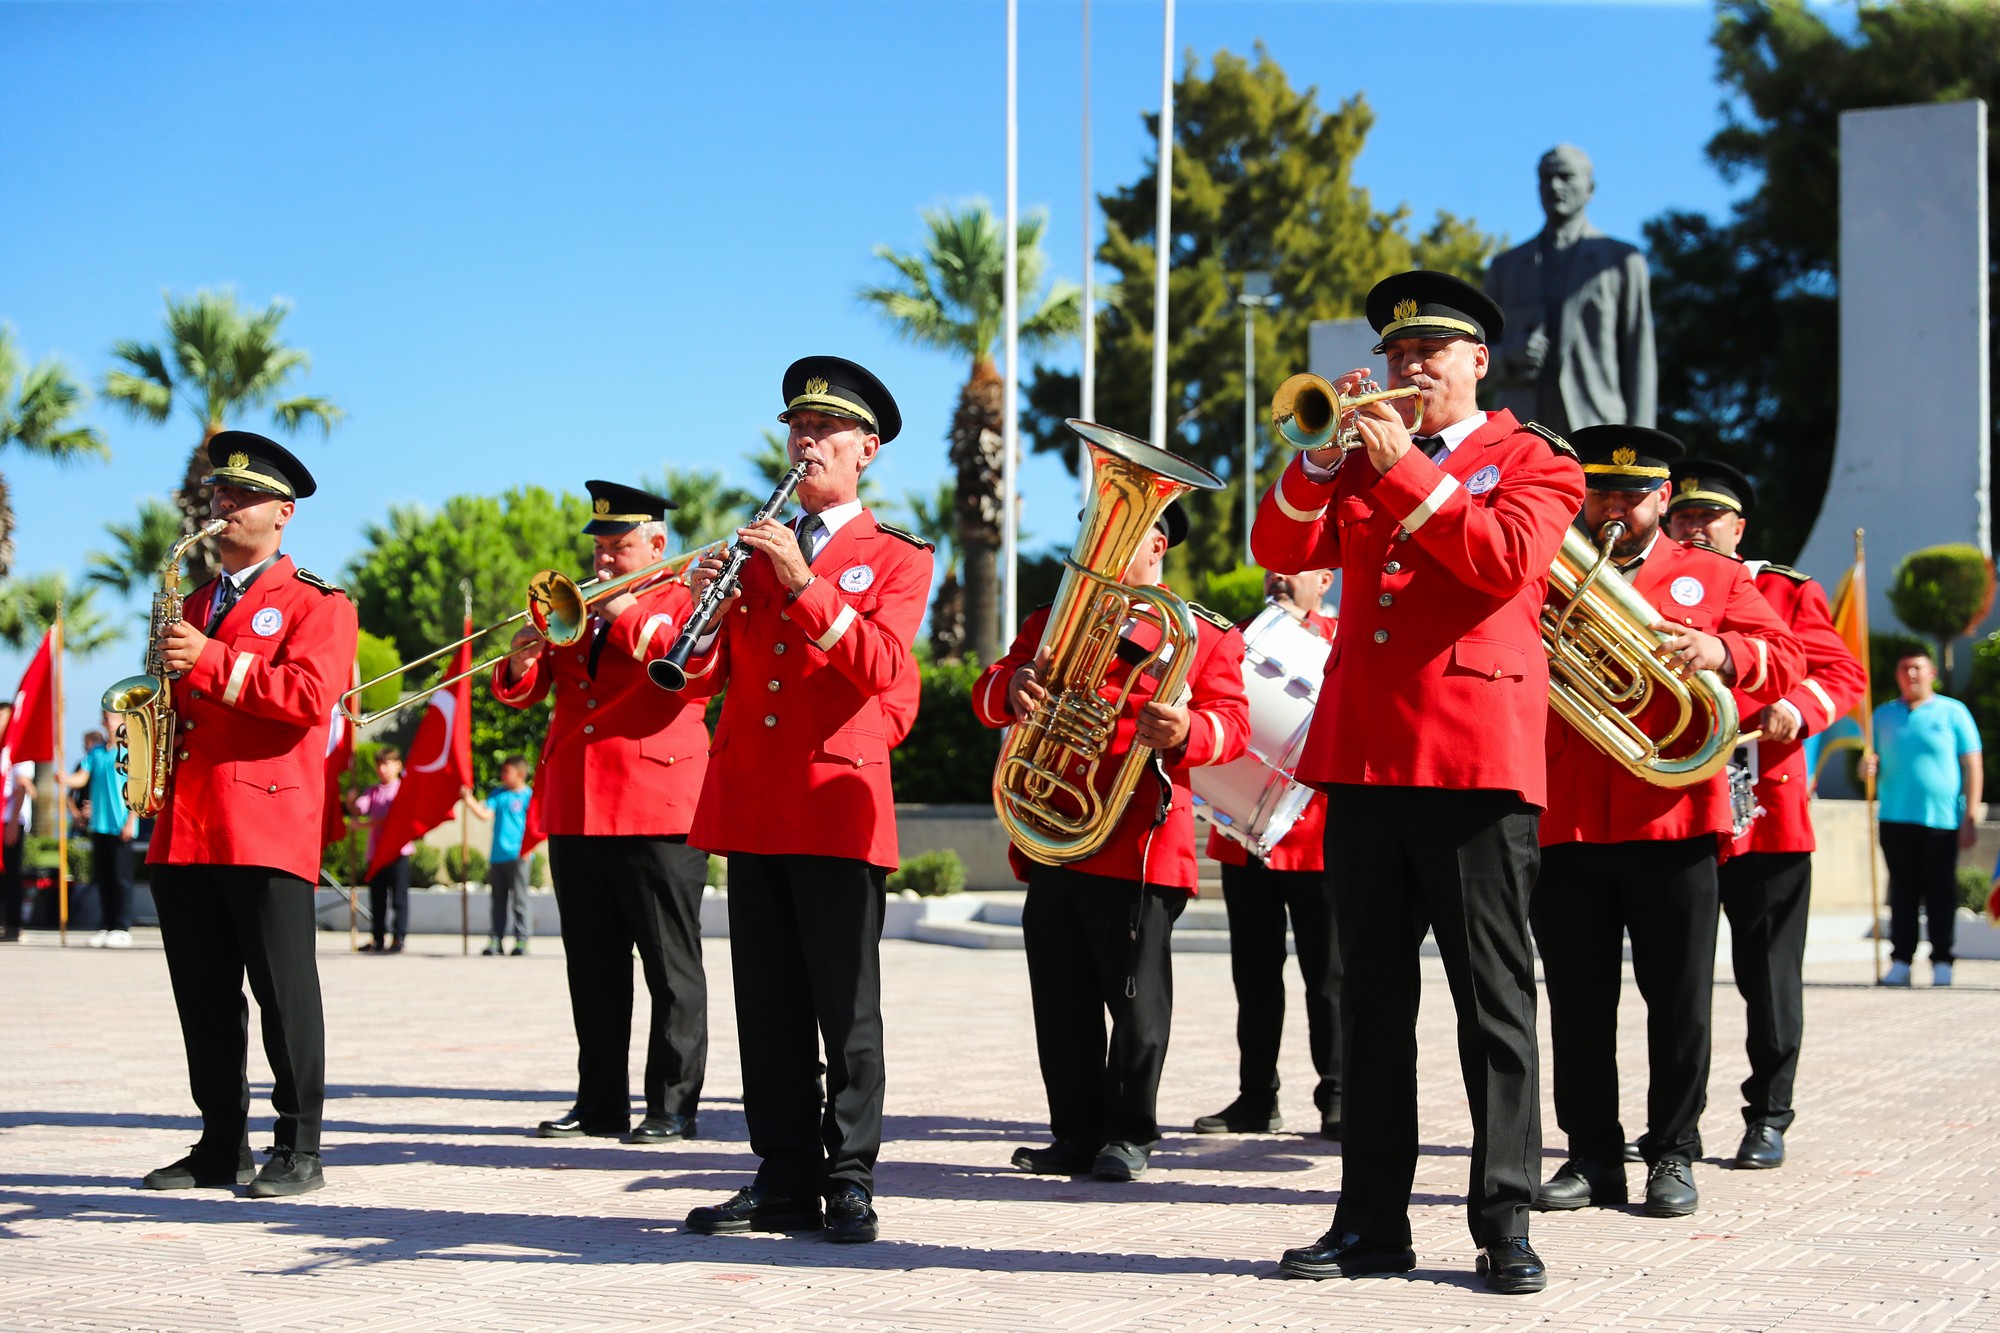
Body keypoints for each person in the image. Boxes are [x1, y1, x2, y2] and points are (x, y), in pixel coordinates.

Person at [1253, 271, 1585, 1295]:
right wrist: (1318, 458)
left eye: (1429, 352)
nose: (1407, 369)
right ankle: (1369, 1223)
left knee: (1493, 1003)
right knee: (1368, 1005)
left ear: (1476, 361)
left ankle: (1503, 1218)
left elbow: (1499, 560)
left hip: (1474, 760)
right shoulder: (1359, 461)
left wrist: (1403, 472)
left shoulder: (1531, 459)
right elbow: (1276, 545)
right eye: (1395, 353)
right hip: (1362, 757)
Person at [675, 356, 932, 1245]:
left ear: (866, 449)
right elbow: (700, 678)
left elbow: (887, 671)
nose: (806, 442)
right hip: (753, 800)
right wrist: (696, 605)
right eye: (796, 428)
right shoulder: (759, 549)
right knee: (770, 1007)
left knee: (845, 1007)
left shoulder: (895, 557)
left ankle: (850, 1174)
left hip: (835, 802)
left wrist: (800, 581)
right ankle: (782, 1173)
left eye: (825, 431)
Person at [1532, 427, 1803, 1222]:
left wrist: (1720, 652)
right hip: (1570, 815)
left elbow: (1784, 656)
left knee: (1678, 999)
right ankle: (1589, 1154)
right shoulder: (1548, 567)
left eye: (1631, 496)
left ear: (1663, 499)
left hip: (1675, 814)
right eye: (1601, 494)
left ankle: (1673, 1151)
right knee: (1579, 1000)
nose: (1614, 509)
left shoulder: (1710, 574)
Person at [975, 498, 1250, 1183]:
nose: (1096, 543)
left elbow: (1234, 725)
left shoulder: (1202, 634)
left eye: (1119, 531)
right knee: (1060, 999)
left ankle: (1129, 1132)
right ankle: (1074, 1132)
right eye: (1092, 528)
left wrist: (1188, 732)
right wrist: (1013, 687)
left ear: (1156, 544)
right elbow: (987, 690)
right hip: (1054, 832)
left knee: (1135, 1004)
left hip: (1138, 840)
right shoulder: (1053, 618)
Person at [141, 431, 359, 1198]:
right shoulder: (195, 601)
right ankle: (218, 1144)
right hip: (187, 824)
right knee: (202, 993)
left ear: (284, 513)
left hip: (265, 822)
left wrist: (204, 658)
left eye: (241, 496)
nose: (222, 506)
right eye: (217, 494)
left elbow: (305, 698)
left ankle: (299, 1147)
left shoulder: (318, 604)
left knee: (282, 992)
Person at [492, 482, 714, 1144]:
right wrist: (520, 660)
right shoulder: (576, 609)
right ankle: (599, 1102)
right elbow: (530, 693)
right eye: (601, 548)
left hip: (657, 805)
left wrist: (622, 611)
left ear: (656, 544)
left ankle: (673, 1105)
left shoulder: (686, 598)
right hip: (577, 804)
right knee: (592, 969)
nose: (606, 561)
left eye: (620, 547)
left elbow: (693, 666)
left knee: (670, 968)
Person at [1667, 459, 1867, 1167]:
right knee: (1679, 980)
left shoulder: (1783, 587)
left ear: (1737, 526)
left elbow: (1842, 674)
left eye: (1708, 517)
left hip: (1764, 806)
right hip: (1677, 802)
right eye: (1683, 516)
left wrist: (1796, 708)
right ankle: (1674, 1126)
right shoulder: (1653, 583)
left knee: (1769, 973)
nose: (1694, 527)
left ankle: (1769, 1113)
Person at [1194, 568, 1344, 1141]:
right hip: (1241, 836)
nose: (1279, 577)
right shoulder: (1232, 638)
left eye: (1296, 568)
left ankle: (1338, 1094)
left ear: (1324, 580)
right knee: (1254, 976)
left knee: (1328, 976)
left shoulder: (1343, 640)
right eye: (1274, 567)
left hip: (1318, 838)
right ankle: (1257, 1097)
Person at [1484, 143, 1657, 435]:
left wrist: (1641, 447)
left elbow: (1639, 357)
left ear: (1590, 188)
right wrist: (1508, 356)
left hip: (1598, 429)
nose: (1554, 186)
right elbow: (1469, 360)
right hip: (1520, 433)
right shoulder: (1506, 267)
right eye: (1546, 178)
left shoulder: (1622, 261)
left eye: (1566, 177)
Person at [1862, 651, 1982, 988]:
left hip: (1941, 821)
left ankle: (1942, 960)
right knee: (1902, 892)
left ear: (1931, 673)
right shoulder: (1883, 714)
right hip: (1895, 817)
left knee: (1941, 891)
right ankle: (1901, 960)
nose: (1910, 674)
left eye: (1916, 667)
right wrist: (1865, 769)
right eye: (1903, 668)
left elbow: (1972, 765)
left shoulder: (1953, 712)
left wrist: (1969, 815)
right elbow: (1870, 762)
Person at [59, 723, 138, 946]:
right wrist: (65, 779)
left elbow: (137, 787)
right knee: (103, 877)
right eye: (105, 716)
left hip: (121, 824)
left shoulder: (129, 751)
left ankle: (122, 927)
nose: (108, 721)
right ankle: (106, 925)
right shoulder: (96, 752)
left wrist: (132, 821)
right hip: (99, 824)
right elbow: (81, 778)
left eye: (111, 716)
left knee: (121, 878)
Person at [464, 754, 535, 956]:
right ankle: (496, 939)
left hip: (519, 855)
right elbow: (485, 814)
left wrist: (528, 848)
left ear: (520, 773)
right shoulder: (498, 794)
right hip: (498, 856)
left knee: (520, 900)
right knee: (498, 901)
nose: (503, 775)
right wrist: (468, 799)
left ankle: (522, 940)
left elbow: (534, 825)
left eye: (507, 771)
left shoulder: (528, 796)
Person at [346, 746, 413, 954]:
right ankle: (377, 938)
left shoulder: (403, 789)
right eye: (379, 765)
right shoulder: (373, 790)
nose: (382, 769)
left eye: (387, 764)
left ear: (398, 765)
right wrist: (350, 800)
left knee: (399, 899)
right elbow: (359, 808)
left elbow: (393, 819)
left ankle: (398, 938)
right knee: (377, 899)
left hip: (398, 851)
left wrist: (364, 825)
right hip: (376, 854)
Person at [1, 704, 31, 943]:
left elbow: (22, 786)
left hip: (12, 820)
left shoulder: (21, 747)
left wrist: (13, 822)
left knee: (11, 874)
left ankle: (13, 925)